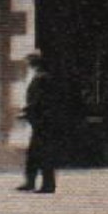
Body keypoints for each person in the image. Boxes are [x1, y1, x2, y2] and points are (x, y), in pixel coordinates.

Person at [18, 51, 66, 193]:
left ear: (33, 64)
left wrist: (26, 112)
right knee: (34, 154)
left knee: (43, 154)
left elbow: (38, 101)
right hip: (40, 122)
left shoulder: (42, 79)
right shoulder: (40, 78)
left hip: (43, 123)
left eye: (28, 63)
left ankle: (47, 185)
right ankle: (31, 182)